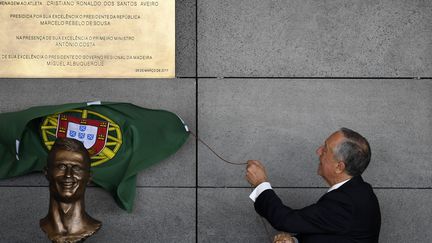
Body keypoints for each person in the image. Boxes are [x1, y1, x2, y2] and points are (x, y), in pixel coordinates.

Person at [246, 128, 381, 243]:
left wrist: (260, 183)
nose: (318, 151)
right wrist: (295, 241)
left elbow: (285, 220)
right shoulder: (359, 190)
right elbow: (331, 232)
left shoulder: (345, 203)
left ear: (339, 167)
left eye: (325, 150)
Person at [40, 137, 101, 243]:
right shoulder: (39, 225)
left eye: (77, 168)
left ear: (89, 177)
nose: (68, 175)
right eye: (61, 167)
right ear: (47, 173)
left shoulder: (92, 226)